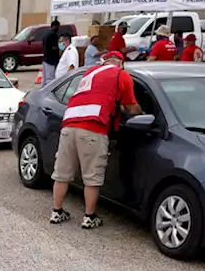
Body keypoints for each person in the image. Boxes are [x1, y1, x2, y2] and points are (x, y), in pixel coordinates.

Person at [50, 51, 141, 229]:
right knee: (92, 177)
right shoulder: (120, 75)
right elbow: (131, 107)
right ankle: (89, 216)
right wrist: (141, 113)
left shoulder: (89, 73)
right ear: (120, 64)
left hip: (68, 126)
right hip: (93, 128)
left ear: (104, 62)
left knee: (62, 174)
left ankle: (56, 211)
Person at [41, 20, 62, 86]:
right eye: (58, 26)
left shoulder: (46, 34)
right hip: (51, 60)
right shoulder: (53, 35)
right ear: (55, 26)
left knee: (45, 79)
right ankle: (48, 93)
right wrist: (59, 47)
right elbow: (53, 47)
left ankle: (41, 92)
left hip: (45, 59)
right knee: (50, 79)